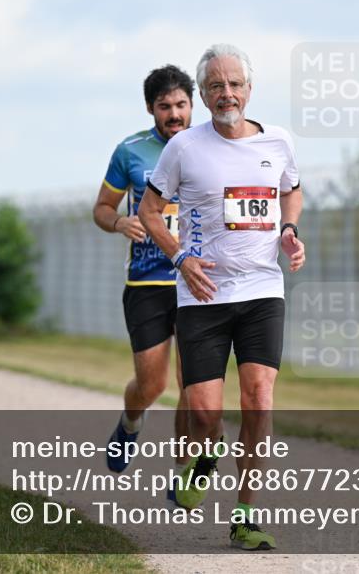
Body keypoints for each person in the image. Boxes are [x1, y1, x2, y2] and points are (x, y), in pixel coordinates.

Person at [139, 44, 305, 551]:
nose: (226, 93)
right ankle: (204, 455)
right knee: (206, 414)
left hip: (262, 290)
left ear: (249, 90)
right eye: (216, 86)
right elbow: (149, 211)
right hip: (203, 294)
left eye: (234, 84)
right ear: (204, 94)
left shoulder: (278, 140)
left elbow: (291, 189)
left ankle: (246, 515)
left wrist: (289, 230)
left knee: (258, 399)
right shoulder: (184, 147)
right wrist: (180, 258)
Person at [93, 65, 218, 486]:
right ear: (151, 108)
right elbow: (102, 208)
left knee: (191, 385)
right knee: (152, 385)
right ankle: (130, 422)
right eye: (165, 106)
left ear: (193, 105)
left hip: (196, 282)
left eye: (181, 104)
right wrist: (118, 223)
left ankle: (181, 476)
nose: (174, 114)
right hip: (147, 283)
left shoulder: (212, 147)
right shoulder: (130, 151)